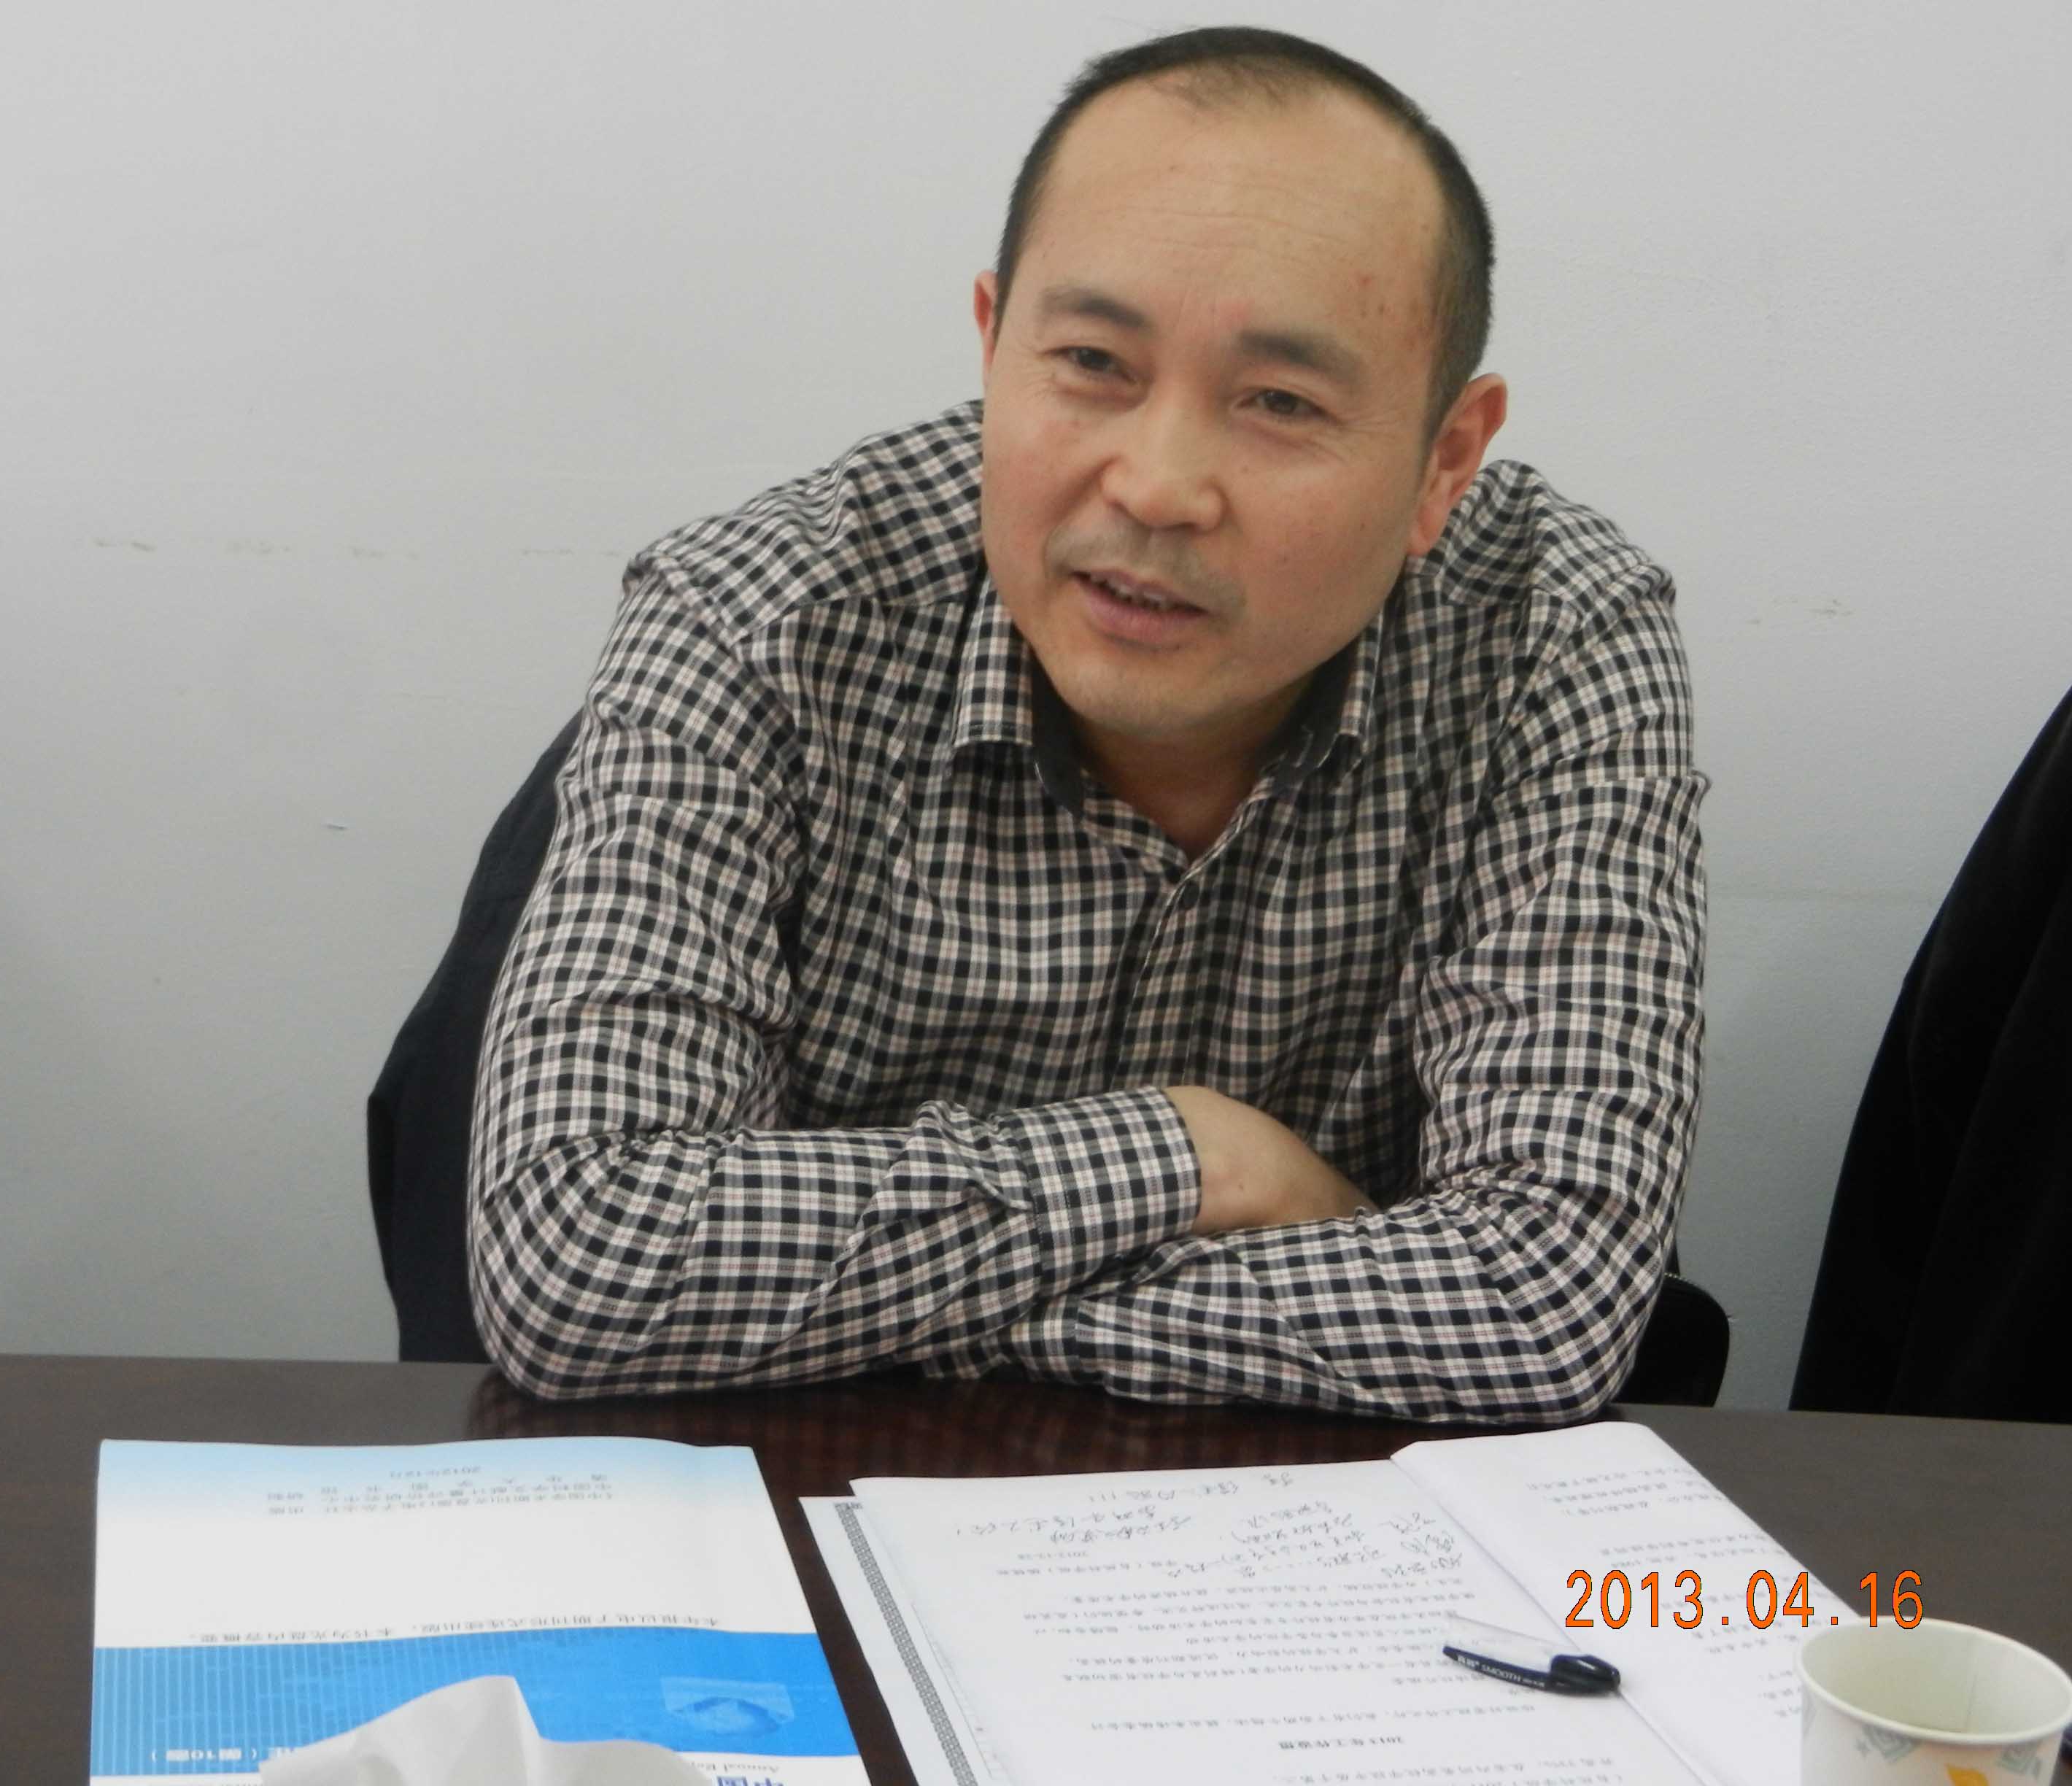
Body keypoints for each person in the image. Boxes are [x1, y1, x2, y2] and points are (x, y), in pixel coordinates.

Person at [467, 26, 1706, 1420]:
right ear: (994, 344)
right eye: (1094, 362)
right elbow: (579, 1257)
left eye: (1281, 401)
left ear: (1444, 464)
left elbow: (1546, 1298)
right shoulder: (754, 614)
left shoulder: (1553, 633)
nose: (1159, 486)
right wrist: (1192, 1156)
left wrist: (889, 1318)